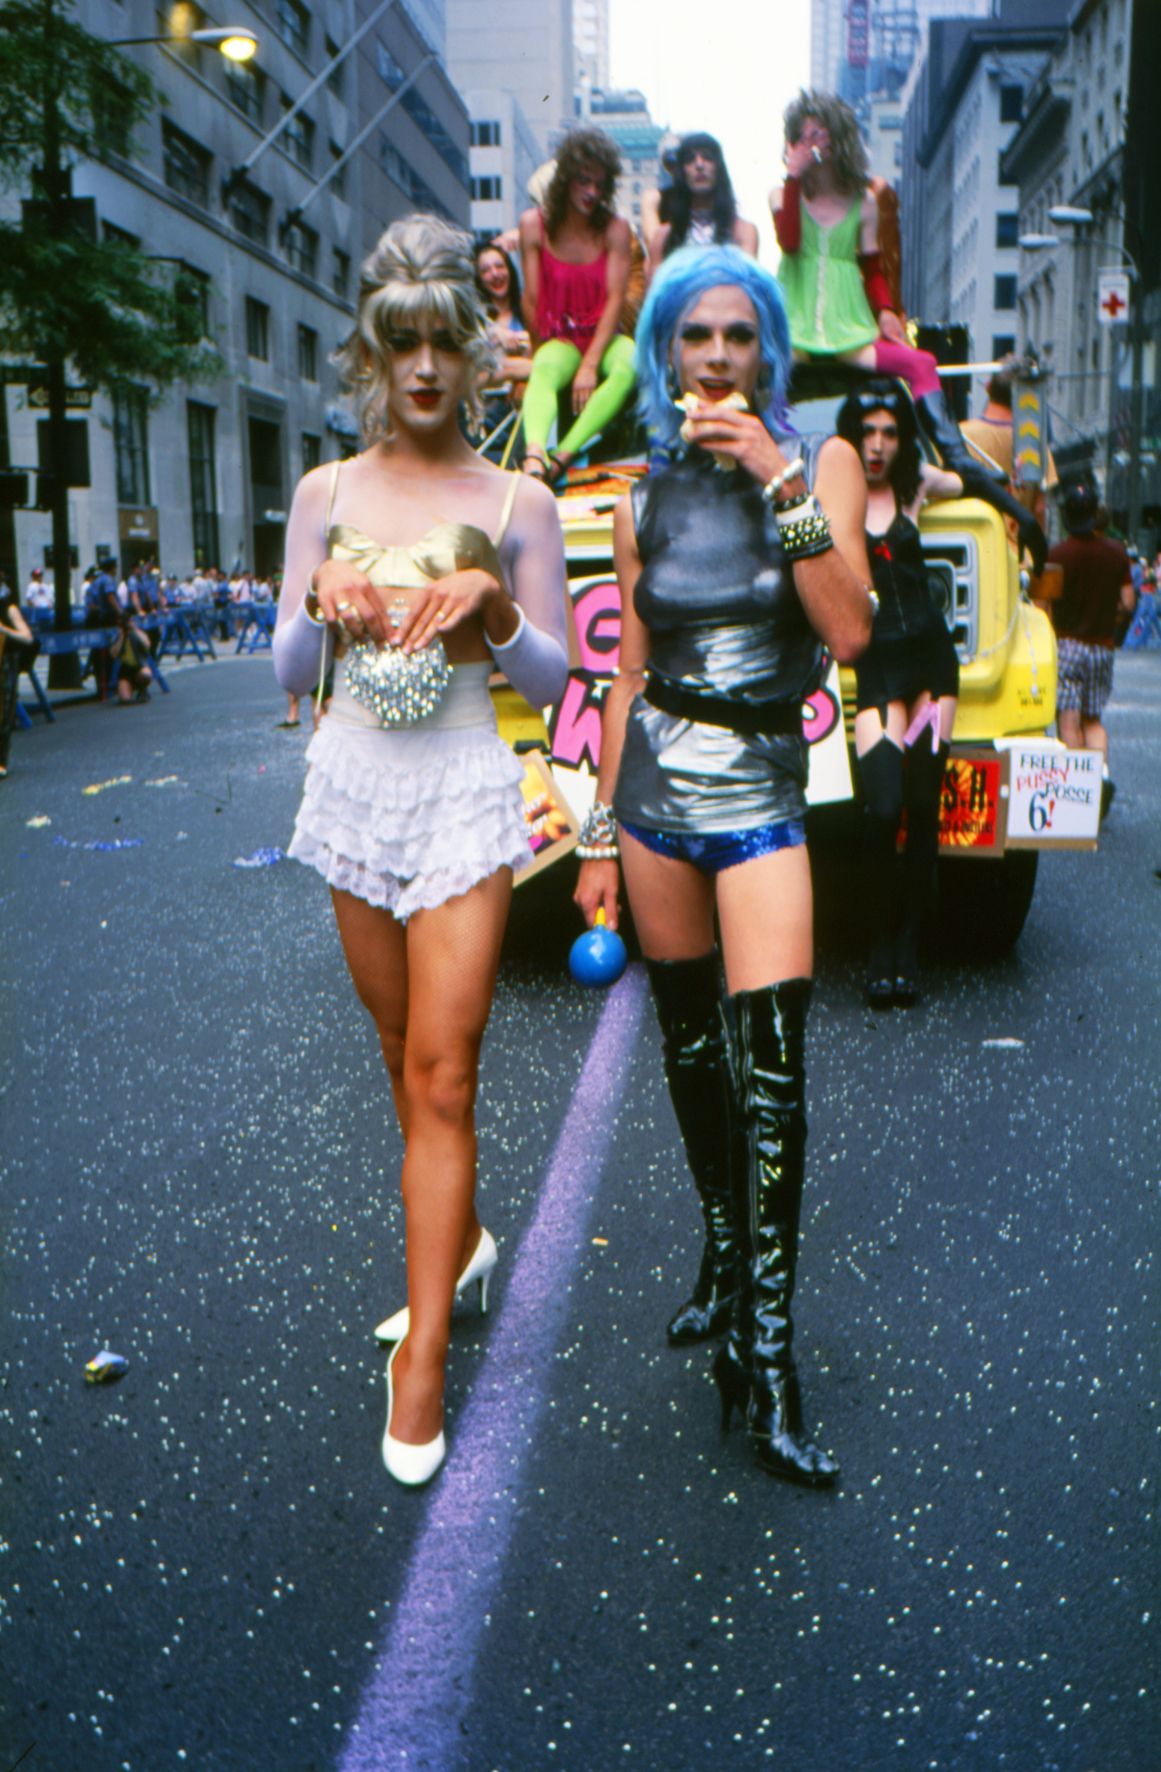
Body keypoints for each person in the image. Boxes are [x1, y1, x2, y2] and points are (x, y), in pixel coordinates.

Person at [272, 215, 569, 1487]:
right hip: (352, 775)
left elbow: (556, 680)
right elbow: (285, 673)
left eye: (448, 339)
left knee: (446, 1074)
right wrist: (315, 607)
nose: (428, 365)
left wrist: (498, 606)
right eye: (405, 343)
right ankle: (466, 1241)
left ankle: (427, 1352)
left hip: (456, 781)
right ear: (372, 355)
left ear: (475, 354)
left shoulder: (517, 501)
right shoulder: (325, 495)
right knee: (400, 1056)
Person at [575, 245, 874, 1486]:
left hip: (761, 793)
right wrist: (598, 828)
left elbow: (849, 624)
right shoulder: (641, 490)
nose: (714, 357)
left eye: (737, 336)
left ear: (766, 350)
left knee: (776, 1080)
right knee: (691, 1052)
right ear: (664, 352)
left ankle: (770, 1354)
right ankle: (716, 1244)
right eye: (693, 336)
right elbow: (629, 669)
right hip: (653, 792)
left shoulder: (824, 462)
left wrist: (777, 475)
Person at [771, 91, 1047, 574]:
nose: (814, 143)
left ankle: (957, 454)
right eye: (805, 134)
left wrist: (885, 312)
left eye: (822, 132)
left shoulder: (864, 201)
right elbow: (790, 240)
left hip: (848, 329)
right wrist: (795, 176)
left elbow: (873, 268)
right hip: (794, 330)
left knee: (919, 362)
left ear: (838, 138)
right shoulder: (783, 195)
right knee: (763, 373)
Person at [835, 379, 965, 1006]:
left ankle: (905, 950)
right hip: (880, 673)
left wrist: (930, 449)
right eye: (867, 433)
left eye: (889, 432)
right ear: (850, 437)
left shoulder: (913, 485)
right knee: (883, 809)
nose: (878, 445)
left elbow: (960, 483)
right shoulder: (837, 498)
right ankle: (876, 943)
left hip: (933, 674)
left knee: (921, 806)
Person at [518, 127, 637, 484]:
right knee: (544, 368)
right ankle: (535, 456)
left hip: (602, 337)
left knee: (630, 359)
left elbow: (616, 298)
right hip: (562, 339)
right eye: (583, 181)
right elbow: (531, 300)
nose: (591, 193)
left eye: (599, 185)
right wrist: (538, 352)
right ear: (566, 178)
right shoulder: (533, 225)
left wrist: (590, 364)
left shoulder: (616, 228)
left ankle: (562, 457)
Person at [1047, 482, 1135, 819]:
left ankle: (1079, 794)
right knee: (1093, 718)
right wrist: (1108, 618)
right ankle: (1101, 778)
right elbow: (1128, 603)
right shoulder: (1116, 552)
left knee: (1068, 722)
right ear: (1095, 512)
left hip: (1068, 643)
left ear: (1067, 515)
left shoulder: (1055, 555)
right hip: (1102, 645)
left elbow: (1043, 608)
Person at [959, 357, 1058, 543]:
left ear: (988, 387)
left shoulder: (961, 435)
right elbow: (1039, 508)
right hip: (1018, 556)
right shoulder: (1036, 443)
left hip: (977, 547)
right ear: (1022, 395)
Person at [646, 132, 759, 277]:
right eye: (690, 159)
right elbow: (656, 295)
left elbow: (749, 287)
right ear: (681, 172)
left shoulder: (743, 231)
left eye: (708, 157)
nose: (699, 165)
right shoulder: (663, 237)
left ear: (719, 168)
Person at [472, 240, 532, 459]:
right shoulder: (477, 317)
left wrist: (521, 380)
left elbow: (540, 347)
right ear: (478, 278)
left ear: (509, 269)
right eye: (485, 270)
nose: (495, 274)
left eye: (499, 266)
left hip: (520, 410)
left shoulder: (526, 310)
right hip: (486, 410)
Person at [0, 568, 37, 777]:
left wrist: (4, 630)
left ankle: (1, 761)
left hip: (5, 661)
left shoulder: (9, 608)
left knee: (4, 710)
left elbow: (28, 637)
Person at [109, 609, 154, 703]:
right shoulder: (117, 636)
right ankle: (130, 689)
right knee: (125, 699)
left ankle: (142, 689)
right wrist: (121, 636)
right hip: (125, 670)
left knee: (146, 674)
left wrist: (133, 629)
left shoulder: (137, 633)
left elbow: (147, 645)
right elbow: (114, 654)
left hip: (139, 666)